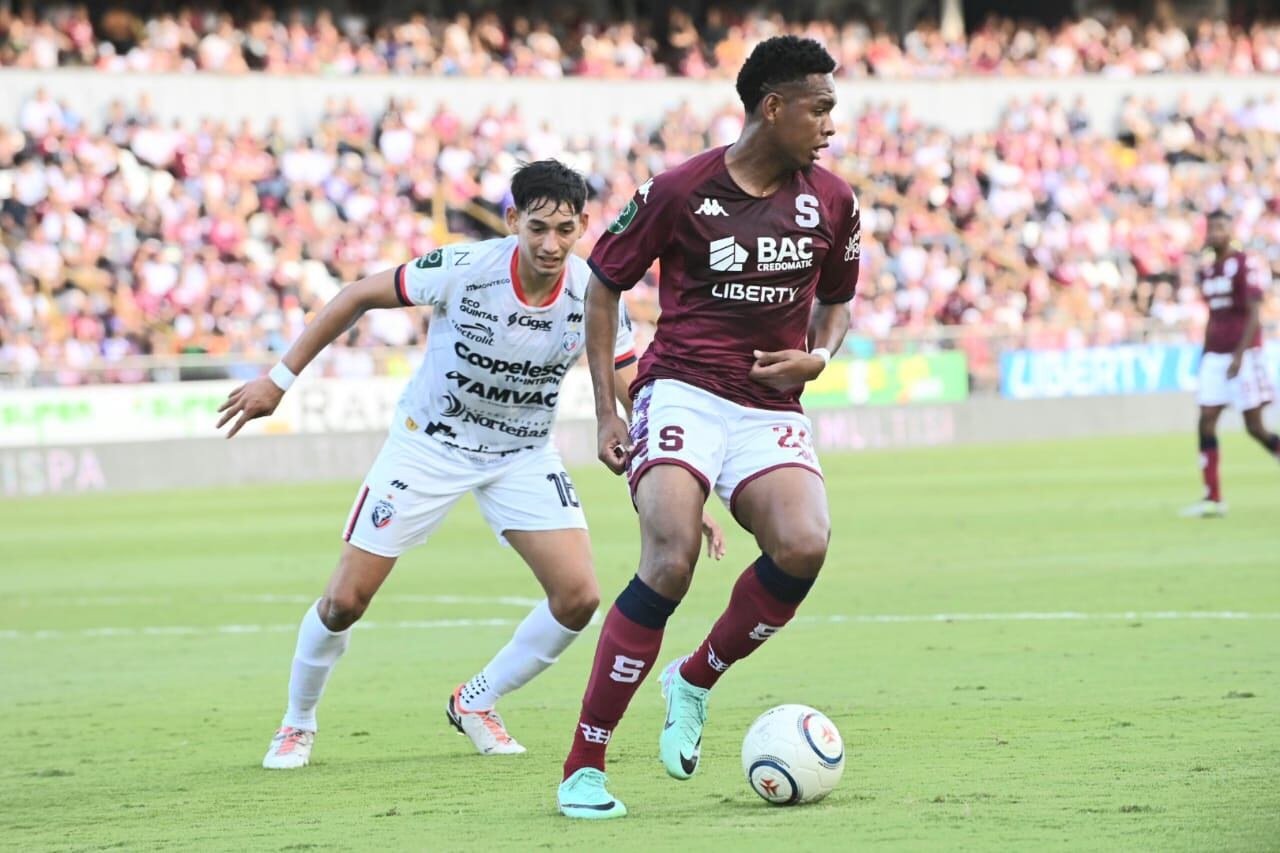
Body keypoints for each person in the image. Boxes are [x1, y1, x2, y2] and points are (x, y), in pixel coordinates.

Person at [216, 159, 724, 768]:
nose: (550, 243)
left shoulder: (594, 293)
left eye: (565, 230)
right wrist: (278, 380)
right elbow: (356, 296)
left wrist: (679, 476)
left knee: (578, 596)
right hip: (427, 446)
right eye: (537, 227)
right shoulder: (463, 269)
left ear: (583, 226)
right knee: (344, 602)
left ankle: (476, 700)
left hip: (520, 455)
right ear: (512, 220)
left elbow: (629, 385)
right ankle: (297, 723)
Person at [554, 35, 860, 819]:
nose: (832, 124)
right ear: (774, 107)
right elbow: (602, 287)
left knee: (804, 545)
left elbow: (839, 299)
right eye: (820, 108)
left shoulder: (833, 199)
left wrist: (817, 359)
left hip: (766, 405)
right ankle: (584, 763)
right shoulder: (679, 191)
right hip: (683, 388)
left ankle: (693, 678)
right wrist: (606, 407)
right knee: (670, 558)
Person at [1182, 209, 1278, 518]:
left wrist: (1239, 356)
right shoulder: (1208, 272)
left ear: (1231, 230)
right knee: (1206, 419)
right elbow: (1214, 316)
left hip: (1245, 355)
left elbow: (1253, 313)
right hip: (1215, 355)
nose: (1214, 233)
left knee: (1255, 428)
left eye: (1221, 227)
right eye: (1211, 228)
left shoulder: (1243, 264)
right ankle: (1213, 497)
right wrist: (1205, 354)